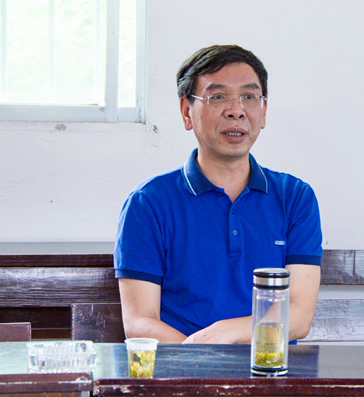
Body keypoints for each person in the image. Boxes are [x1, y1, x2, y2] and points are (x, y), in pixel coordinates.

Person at [114, 44, 322, 344]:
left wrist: (223, 335)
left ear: (263, 111)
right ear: (186, 112)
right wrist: (199, 358)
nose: (236, 110)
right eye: (218, 97)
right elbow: (139, 322)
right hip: (183, 367)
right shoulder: (148, 203)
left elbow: (299, 317)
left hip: (268, 366)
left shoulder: (295, 198)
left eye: (249, 97)